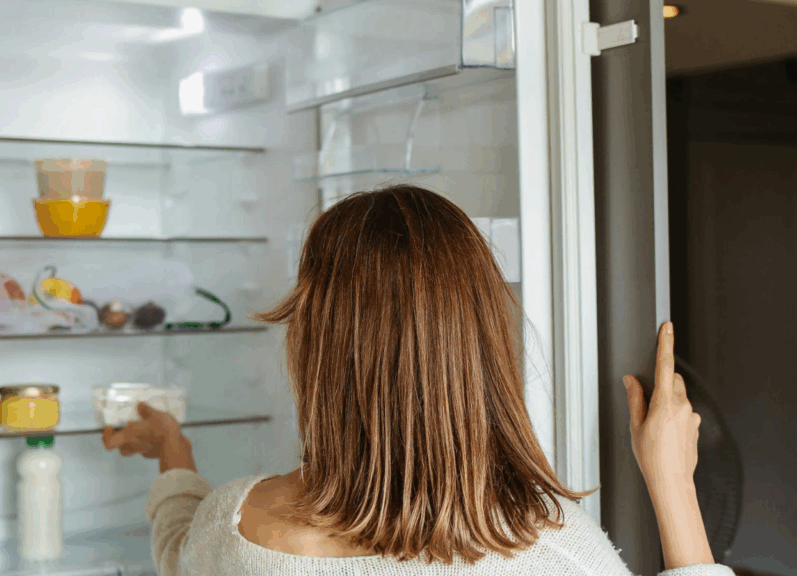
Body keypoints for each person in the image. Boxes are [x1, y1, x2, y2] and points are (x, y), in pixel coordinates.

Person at [102, 185, 734, 575]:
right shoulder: (547, 550)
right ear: (480, 347)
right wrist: (674, 484)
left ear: (313, 349)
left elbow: (177, 548)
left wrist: (172, 450)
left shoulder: (235, 525)